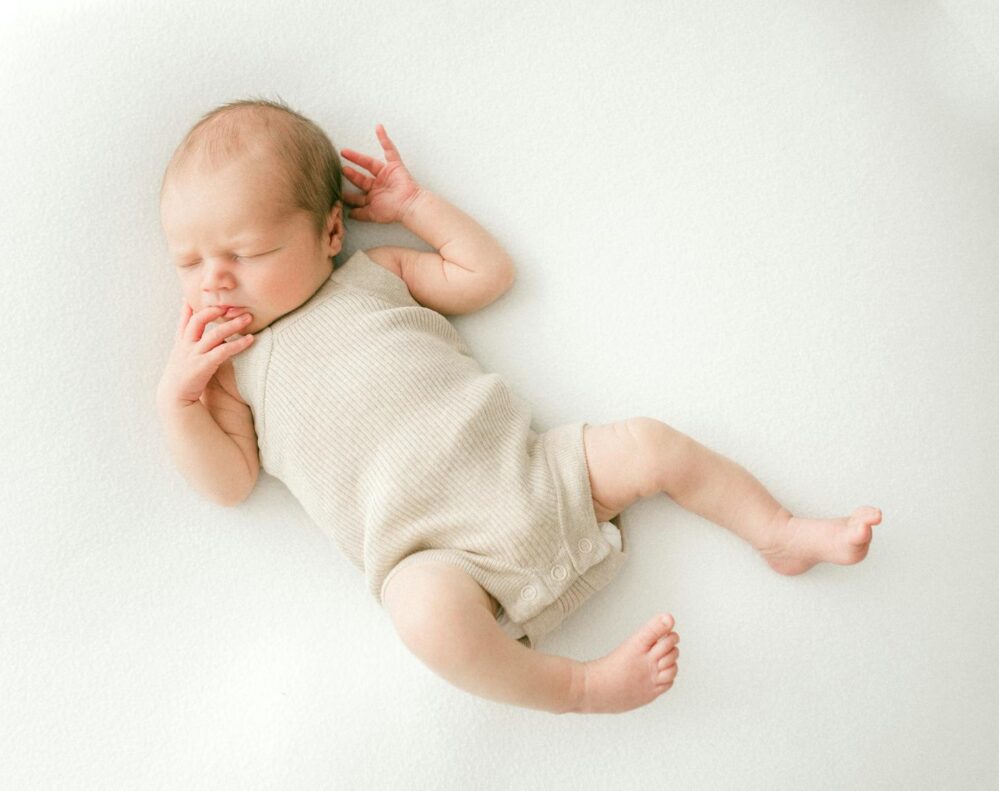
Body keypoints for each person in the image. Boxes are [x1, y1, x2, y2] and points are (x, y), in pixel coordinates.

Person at [156, 98, 882, 715]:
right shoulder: (230, 372)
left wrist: (415, 207)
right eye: (189, 261)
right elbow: (229, 481)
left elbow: (487, 274)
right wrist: (179, 398)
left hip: (533, 471)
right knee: (421, 617)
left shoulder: (373, 275)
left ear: (330, 233)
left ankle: (780, 530)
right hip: (440, 559)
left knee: (650, 444)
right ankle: (582, 686)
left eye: (246, 252)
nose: (214, 279)